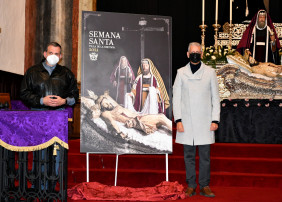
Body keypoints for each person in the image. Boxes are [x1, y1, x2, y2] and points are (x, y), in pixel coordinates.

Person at [20, 42, 79, 190]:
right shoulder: (33, 72)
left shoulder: (66, 73)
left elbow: (75, 95)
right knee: (39, 150)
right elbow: (24, 93)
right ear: (45, 54)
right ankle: (37, 183)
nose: (53, 56)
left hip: (58, 117)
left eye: (57, 54)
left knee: (56, 151)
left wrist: (64, 100)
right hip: (38, 116)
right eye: (51, 53)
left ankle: (53, 184)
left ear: (60, 56)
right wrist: (41, 100)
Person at [173, 42, 220, 197]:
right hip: (186, 122)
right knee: (189, 156)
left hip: (205, 122)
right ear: (188, 54)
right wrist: (178, 120)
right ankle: (191, 185)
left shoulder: (210, 72)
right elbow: (176, 99)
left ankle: (205, 185)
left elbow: (216, 98)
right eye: (192, 52)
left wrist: (215, 120)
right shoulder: (180, 73)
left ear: (201, 54)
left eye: (197, 52)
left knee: (205, 157)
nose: (195, 54)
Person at [88, 91, 172, 138]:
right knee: (161, 117)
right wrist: (120, 133)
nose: (109, 104)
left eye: (108, 102)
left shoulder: (114, 106)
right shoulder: (106, 113)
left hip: (140, 116)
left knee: (161, 119)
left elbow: (106, 96)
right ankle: (177, 134)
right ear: (102, 107)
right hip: (138, 120)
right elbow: (112, 122)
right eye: (105, 104)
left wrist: (104, 96)